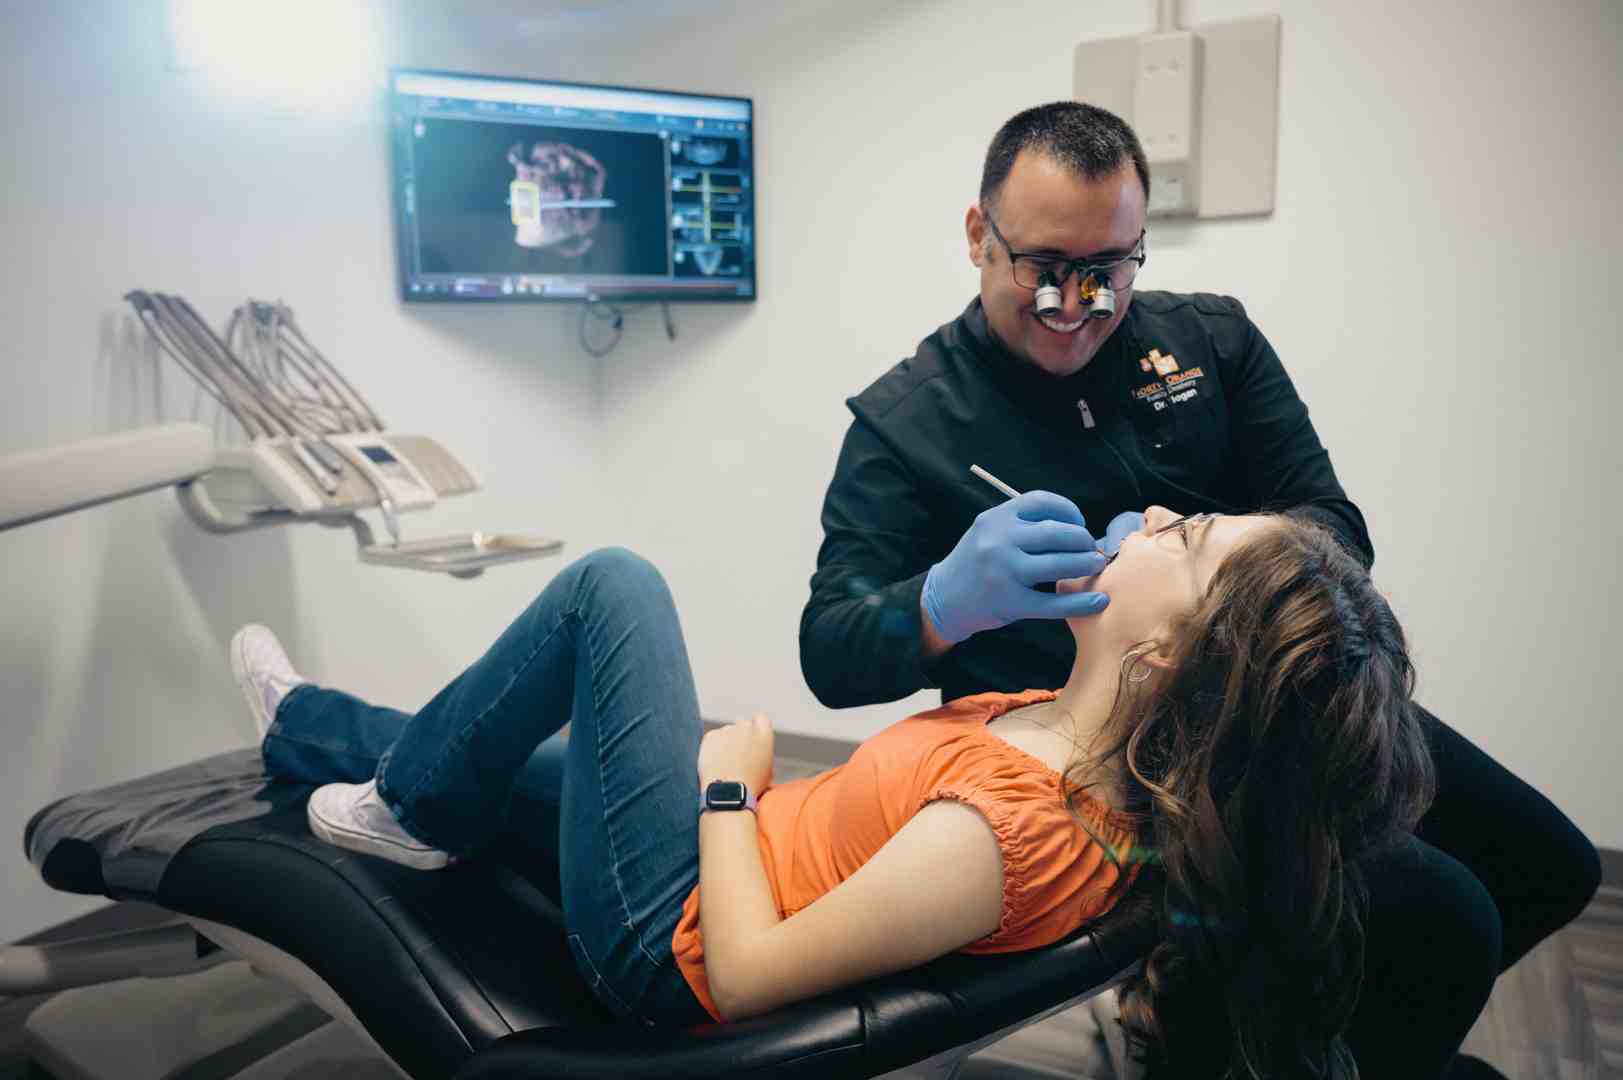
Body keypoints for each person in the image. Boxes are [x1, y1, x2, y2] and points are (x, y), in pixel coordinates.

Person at [799, 101, 1599, 1078]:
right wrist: (940, 604)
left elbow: (1337, 531)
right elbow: (830, 652)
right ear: (978, 235)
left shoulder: (1210, 342)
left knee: (1550, 866)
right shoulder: (904, 426)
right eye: (1043, 266)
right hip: (1120, 756)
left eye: (1109, 269)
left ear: (1142, 244)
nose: (1075, 303)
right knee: (1443, 917)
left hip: (1275, 697)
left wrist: (1220, 569)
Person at [232, 508, 1429, 1076]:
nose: (1157, 515)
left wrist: (725, 795)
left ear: (1165, 663)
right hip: (738, 853)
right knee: (485, 749)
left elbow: (747, 977)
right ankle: (308, 729)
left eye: (1191, 535)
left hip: (668, 931)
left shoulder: (1004, 834)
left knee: (614, 584)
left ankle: (411, 810)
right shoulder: (1074, 741)